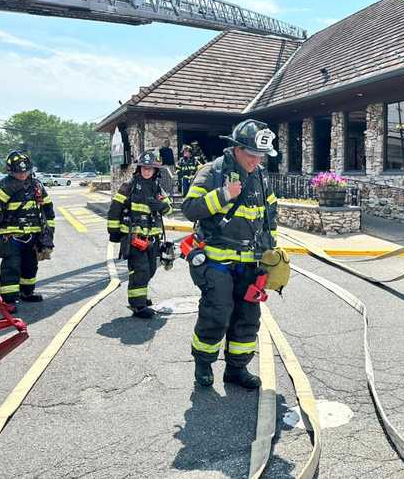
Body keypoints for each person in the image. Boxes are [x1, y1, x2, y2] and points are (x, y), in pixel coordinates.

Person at [182, 119, 279, 389]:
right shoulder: (211, 172)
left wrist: (271, 254)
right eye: (251, 154)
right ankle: (203, 363)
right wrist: (223, 195)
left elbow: (270, 215)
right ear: (236, 148)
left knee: (248, 317)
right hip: (216, 260)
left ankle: (237, 369)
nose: (256, 161)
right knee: (217, 313)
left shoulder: (260, 176)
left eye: (261, 156)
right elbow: (190, 209)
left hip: (250, 262)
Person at [0, 151, 55, 310]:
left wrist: (49, 234)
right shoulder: (4, 184)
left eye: (25, 171)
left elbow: (48, 209)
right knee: (11, 267)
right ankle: (8, 301)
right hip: (10, 236)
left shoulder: (37, 185)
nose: (22, 174)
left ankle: (27, 293)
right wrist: (9, 189)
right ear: (10, 171)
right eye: (18, 172)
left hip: (33, 235)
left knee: (30, 265)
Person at [107, 150, 173, 319]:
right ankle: (138, 306)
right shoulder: (128, 186)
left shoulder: (157, 187)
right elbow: (115, 209)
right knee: (140, 271)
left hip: (153, 238)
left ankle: (140, 297)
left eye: (150, 168)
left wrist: (160, 206)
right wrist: (114, 233)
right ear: (139, 168)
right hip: (134, 238)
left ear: (155, 170)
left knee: (150, 269)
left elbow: (169, 209)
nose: (147, 171)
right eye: (144, 167)